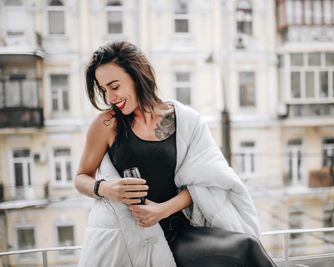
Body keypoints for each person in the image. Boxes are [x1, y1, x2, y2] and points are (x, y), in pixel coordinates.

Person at [75, 41, 276, 267]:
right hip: (130, 235)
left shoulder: (185, 120)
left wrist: (161, 211)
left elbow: (208, 182)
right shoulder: (106, 124)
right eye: (103, 90)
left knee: (246, 246)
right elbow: (81, 177)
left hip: (178, 232)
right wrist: (104, 188)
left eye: (114, 86)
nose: (110, 97)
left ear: (136, 76)